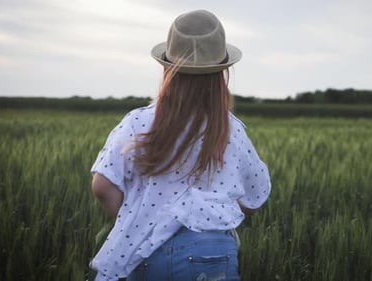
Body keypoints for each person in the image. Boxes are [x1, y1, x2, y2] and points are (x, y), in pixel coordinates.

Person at [89, 10, 271, 281]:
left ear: (166, 69)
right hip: (214, 252)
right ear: (222, 75)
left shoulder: (138, 121)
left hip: (148, 249)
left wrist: (136, 218)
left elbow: (102, 185)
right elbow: (256, 196)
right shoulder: (232, 130)